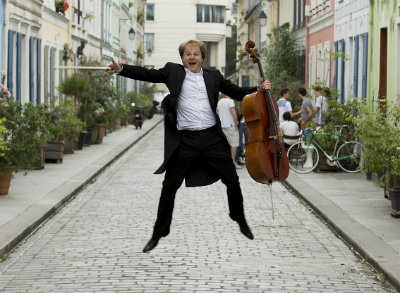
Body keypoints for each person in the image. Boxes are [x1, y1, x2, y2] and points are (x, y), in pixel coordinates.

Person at [105, 39, 272, 253]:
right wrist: (121, 69)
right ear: (182, 58)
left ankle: (239, 218)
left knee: (233, 179)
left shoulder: (214, 76)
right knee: (169, 186)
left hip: (212, 138)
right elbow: (147, 74)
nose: (191, 57)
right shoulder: (172, 72)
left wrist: (257, 89)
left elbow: (238, 92)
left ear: (202, 57)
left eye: (195, 54)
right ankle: (158, 232)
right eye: (187, 54)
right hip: (185, 141)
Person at [217, 96, 241, 169]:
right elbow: (233, 113)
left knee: (223, 144)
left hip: (221, 125)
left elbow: (217, 114)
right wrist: (236, 125)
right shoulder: (230, 101)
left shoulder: (219, 102)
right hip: (230, 125)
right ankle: (233, 162)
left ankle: (223, 162)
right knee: (234, 144)